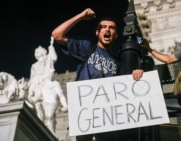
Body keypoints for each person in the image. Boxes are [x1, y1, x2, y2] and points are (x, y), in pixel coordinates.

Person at [51, 8, 143, 141]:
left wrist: (137, 72)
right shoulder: (87, 48)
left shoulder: (118, 63)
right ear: (97, 32)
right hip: (83, 117)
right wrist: (81, 16)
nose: (107, 30)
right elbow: (56, 35)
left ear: (116, 35)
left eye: (111, 28)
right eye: (103, 27)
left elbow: (129, 87)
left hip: (106, 121)